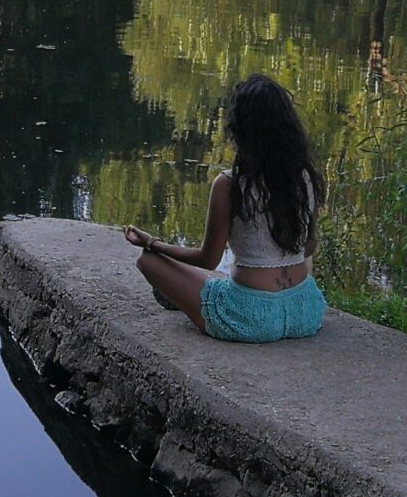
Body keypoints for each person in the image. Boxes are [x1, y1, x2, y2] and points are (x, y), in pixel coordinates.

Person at [123, 73, 328, 343]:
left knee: (148, 261)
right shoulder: (306, 176)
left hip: (251, 317)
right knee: (292, 255)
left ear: (240, 129)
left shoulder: (230, 184)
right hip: (305, 311)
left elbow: (208, 259)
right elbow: (309, 248)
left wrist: (152, 243)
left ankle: (187, 293)